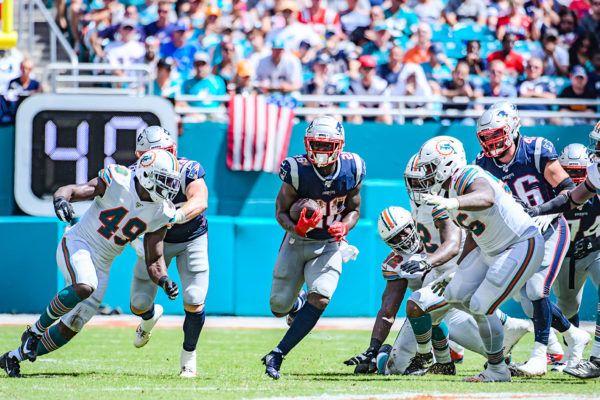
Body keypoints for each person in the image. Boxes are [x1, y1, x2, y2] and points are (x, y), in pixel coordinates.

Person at [0, 149, 181, 378]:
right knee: (85, 284)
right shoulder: (118, 180)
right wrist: (60, 200)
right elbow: (73, 190)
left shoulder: (161, 212)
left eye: (171, 182)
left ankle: (13, 357)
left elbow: (154, 259)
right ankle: (34, 332)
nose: (168, 188)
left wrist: (164, 280)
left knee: (71, 326)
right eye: (163, 181)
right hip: (78, 242)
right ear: (146, 175)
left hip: (103, 264)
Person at [371, 156, 530, 376]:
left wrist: (426, 260)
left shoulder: (440, 201)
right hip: (437, 275)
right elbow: (387, 307)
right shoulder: (411, 216)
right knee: (391, 367)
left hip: (459, 269)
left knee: (419, 305)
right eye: (413, 182)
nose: (417, 187)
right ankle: (450, 360)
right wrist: (373, 349)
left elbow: (453, 244)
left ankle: (427, 357)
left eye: (422, 181)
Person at [416, 136, 545, 382]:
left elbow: (487, 196)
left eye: (430, 167)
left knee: (480, 306)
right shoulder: (448, 191)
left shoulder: (465, 175)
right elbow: (475, 232)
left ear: (447, 163)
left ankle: (497, 369)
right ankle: (503, 328)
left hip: (520, 242)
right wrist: (461, 267)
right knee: (454, 294)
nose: (426, 174)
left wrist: (452, 201)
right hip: (490, 250)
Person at [475, 102, 590, 375]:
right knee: (527, 299)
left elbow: (568, 191)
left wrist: (543, 211)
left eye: (497, 134)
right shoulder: (482, 163)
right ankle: (575, 335)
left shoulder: (535, 150)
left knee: (538, 291)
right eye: (486, 137)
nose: (492, 142)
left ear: (513, 127)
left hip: (550, 226)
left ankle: (540, 356)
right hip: (521, 234)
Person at [262, 116, 365, 380]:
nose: (320, 152)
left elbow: (354, 209)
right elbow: (281, 212)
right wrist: (297, 228)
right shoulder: (296, 169)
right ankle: (296, 305)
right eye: (316, 145)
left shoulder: (352, 168)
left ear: (339, 145)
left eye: (325, 145)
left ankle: (278, 353)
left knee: (320, 296)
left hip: (329, 243)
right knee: (278, 307)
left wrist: (345, 226)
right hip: (297, 241)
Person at [128, 126, 209, 378]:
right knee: (139, 304)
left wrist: (176, 215)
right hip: (154, 241)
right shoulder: (132, 177)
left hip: (189, 238)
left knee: (194, 298)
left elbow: (200, 199)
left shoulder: (188, 169)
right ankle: (149, 318)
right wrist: (136, 240)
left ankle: (188, 357)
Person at [526, 120, 600, 379]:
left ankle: (598, 358)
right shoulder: (589, 176)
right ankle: (571, 356)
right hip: (569, 255)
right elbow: (572, 196)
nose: (574, 176)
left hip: (596, 249)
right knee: (566, 309)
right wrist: (540, 210)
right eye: (569, 171)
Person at [346, 55, 392, 125]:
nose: (367, 72)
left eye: (370, 69)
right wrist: (359, 109)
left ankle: (388, 135)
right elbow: (352, 106)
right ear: (360, 70)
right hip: (360, 115)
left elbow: (385, 106)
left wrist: (373, 110)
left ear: (374, 70)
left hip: (378, 115)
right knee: (354, 115)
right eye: (365, 68)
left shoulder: (382, 85)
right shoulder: (353, 86)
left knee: (386, 116)